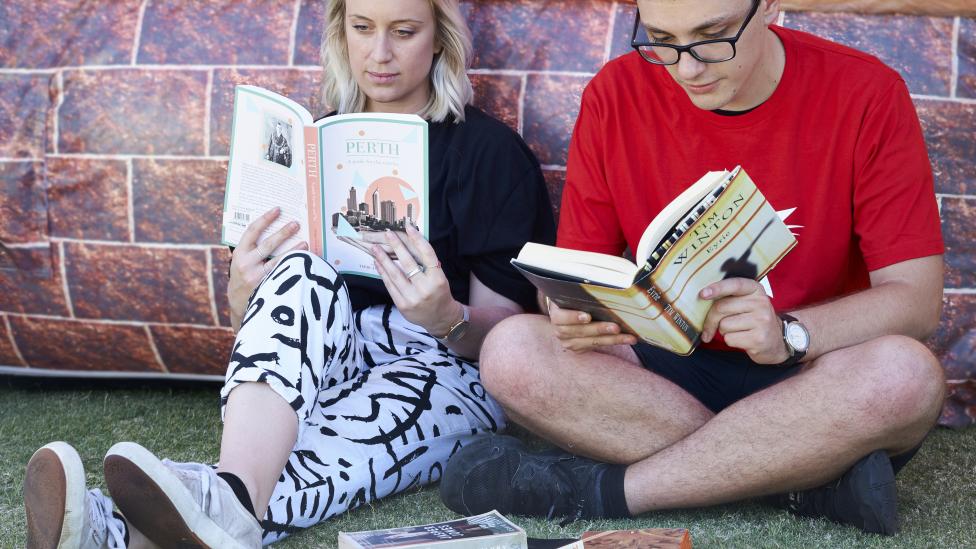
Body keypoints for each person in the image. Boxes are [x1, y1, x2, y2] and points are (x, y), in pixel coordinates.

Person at [22, 0, 555, 546]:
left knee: (334, 448)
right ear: (340, 32)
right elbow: (273, 332)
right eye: (363, 28)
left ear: (440, 38)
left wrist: (445, 315)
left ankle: (119, 531)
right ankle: (228, 501)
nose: (380, 53)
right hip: (335, 353)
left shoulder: (490, 153)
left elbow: (505, 341)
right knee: (299, 273)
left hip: (443, 367)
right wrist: (242, 295)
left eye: (404, 31)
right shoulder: (316, 147)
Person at [439, 0, 945, 537]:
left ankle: (607, 491)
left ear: (770, 6)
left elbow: (915, 299)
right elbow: (580, 266)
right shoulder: (615, 93)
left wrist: (790, 334)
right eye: (661, 38)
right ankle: (808, 479)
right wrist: (570, 309)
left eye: (713, 36)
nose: (687, 68)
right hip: (665, 373)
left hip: (814, 371)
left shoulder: (867, 91)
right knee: (514, 352)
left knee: (905, 375)